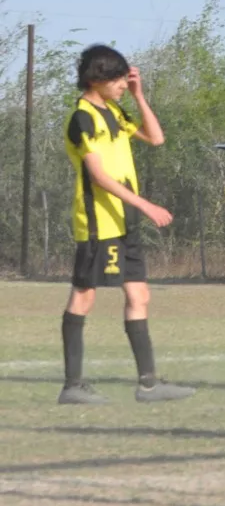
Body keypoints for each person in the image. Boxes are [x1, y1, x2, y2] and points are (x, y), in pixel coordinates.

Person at [59, 45, 195, 404]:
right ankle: (72, 386)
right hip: (99, 222)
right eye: (118, 79)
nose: (123, 83)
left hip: (124, 220)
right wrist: (146, 204)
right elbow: (99, 177)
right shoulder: (82, 117)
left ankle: (149, 383)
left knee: (139, 295)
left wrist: (138, 95)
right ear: (95, 79)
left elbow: (156, 137)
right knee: (84, 296)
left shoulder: (116, 110)